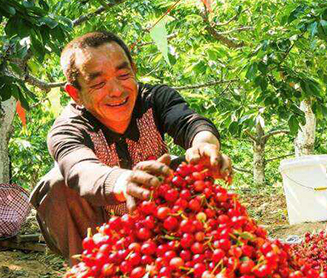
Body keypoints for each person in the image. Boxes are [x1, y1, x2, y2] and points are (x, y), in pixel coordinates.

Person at [30, 31, 231, 263]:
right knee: (57, 185)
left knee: (188, 168)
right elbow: (79, 168)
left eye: (123, 74)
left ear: (134, 70)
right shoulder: (67, 129)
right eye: (98, 83)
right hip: (98, 232)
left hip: (157, 221)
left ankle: (193, 257)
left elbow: (188, 122)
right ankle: (91, 271)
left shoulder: (155, 99)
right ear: (76, 93)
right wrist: (123, 182)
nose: (116, 90)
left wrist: (204, 146)